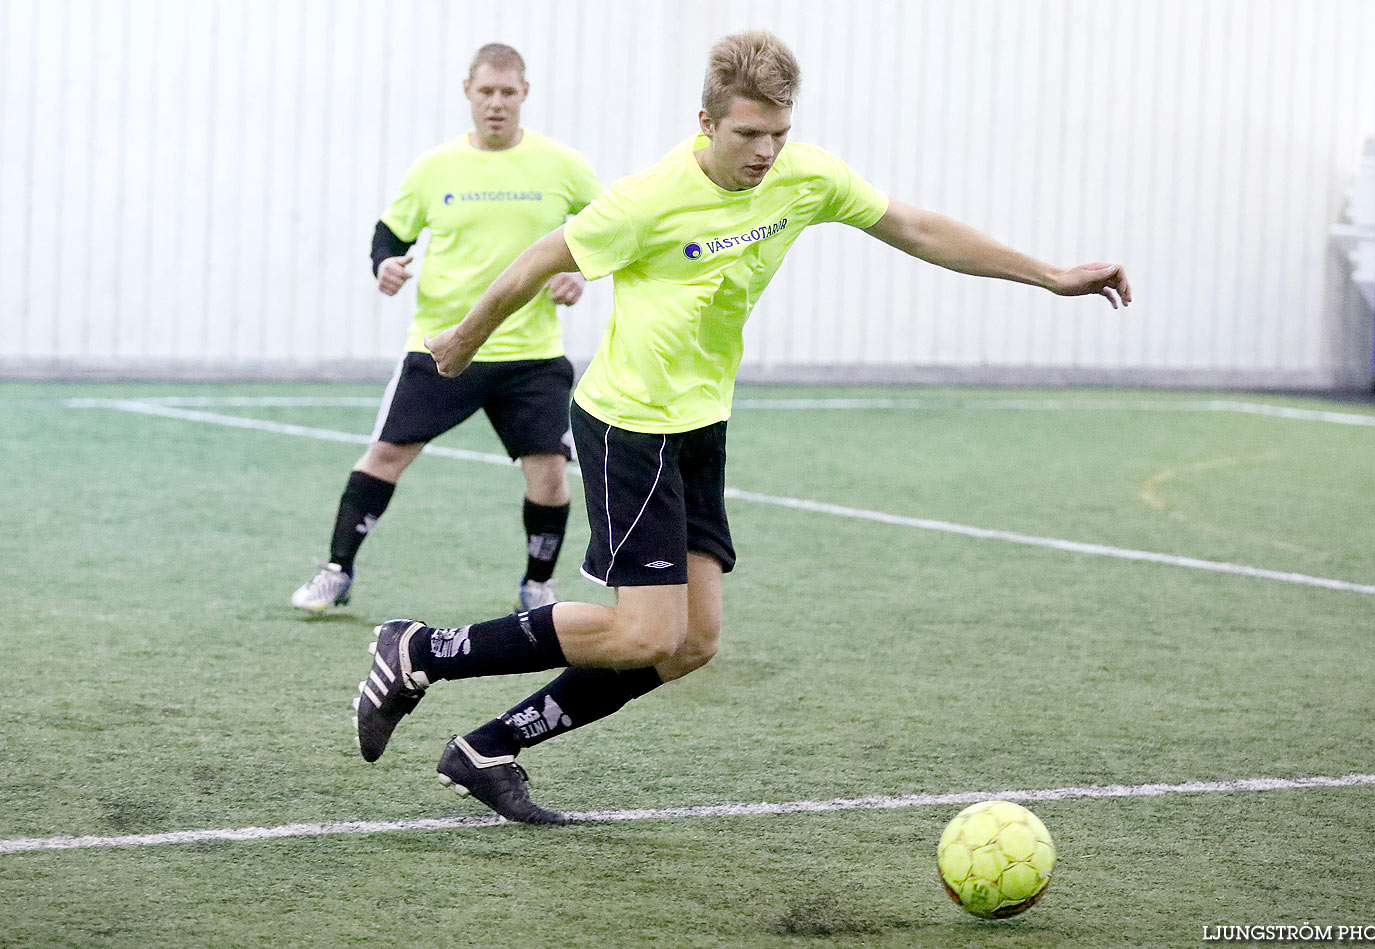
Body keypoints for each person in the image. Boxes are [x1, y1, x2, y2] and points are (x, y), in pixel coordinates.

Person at [354, 30, 1131, 825]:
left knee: (692, 643)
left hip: (698, 426)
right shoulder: (646, 199)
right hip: (630, 425)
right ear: (706, 121)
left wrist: (1051, 275)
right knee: (643, 631)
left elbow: (918, 228)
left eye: (778, 134)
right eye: (748, 134)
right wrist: (464, 339)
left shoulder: (804, 176)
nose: (765, 152)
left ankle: (486, 748)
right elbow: (534, 261)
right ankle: (421, 650)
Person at [291, 44, 602, 614]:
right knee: (384, 455)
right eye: (486, 92)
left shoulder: (563, 165)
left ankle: (536, 586)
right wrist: (384, 265)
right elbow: (391, 233)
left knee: (550, 474)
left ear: (525, 94)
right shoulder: (434, 168)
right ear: (468, 92)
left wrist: (578, 271)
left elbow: (606, 228)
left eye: (508, 92)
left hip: (531, 353)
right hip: (443, 347)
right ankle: (337, 572)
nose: (497, 104)